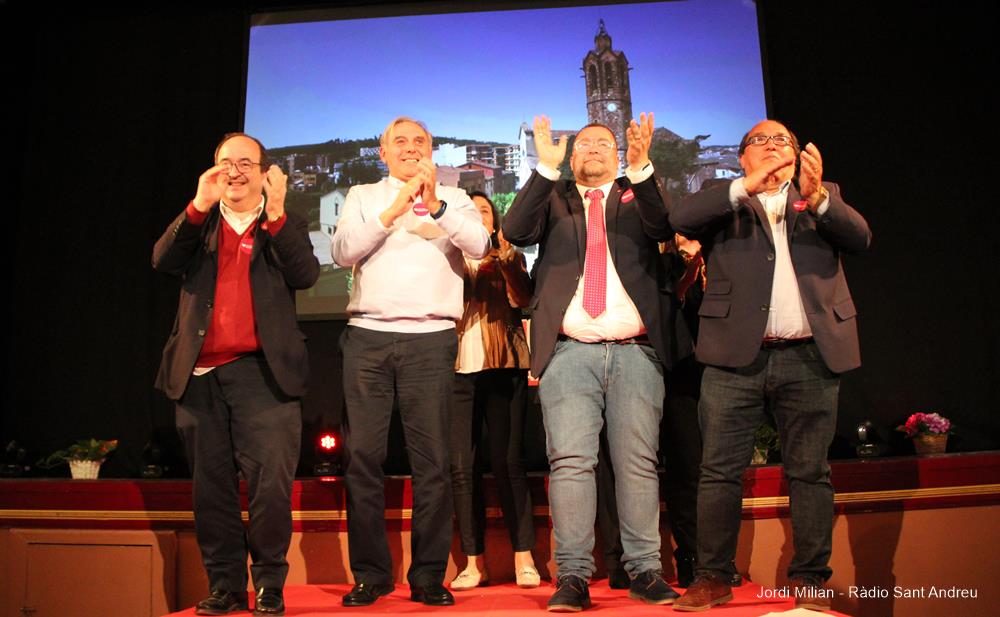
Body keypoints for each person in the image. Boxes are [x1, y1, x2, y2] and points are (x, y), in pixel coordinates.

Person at [669, 120, 871, 612]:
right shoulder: (724, 198)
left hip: (809, 354)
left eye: (784, 140)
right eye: (761, 141)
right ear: (742, 157)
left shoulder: (822, 196)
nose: (774, 146)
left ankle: (809, 581)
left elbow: (860, 238)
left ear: (799, 155)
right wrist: (743, 190)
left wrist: (819, 197)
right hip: (735, 358)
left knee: (809, 472)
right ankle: (713, 576)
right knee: (718, 471)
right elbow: (681, 216)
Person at [502, 113, 690, 612]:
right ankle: (573, 576)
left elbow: (664, 226)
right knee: (569, 466)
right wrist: (544, 168)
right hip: (568, 352)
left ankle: (645, 570)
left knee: (638, 465)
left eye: (602, 143)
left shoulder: (636, 193)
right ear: (570, 154)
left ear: (618, 153)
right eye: (582, 143)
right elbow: (515, 230)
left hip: (635, 353)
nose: (591, 149)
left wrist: (644, 164)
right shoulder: (556, 196)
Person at [153, 132, 319, 616]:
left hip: (264, 375)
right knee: (212, 487)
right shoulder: (199, 224)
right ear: (214, 170)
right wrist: (197, 205)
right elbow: (162, 260)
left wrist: (278, 214)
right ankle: (225, 584)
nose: (236, 171)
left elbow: (306, 275)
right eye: (227, 162)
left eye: (247, 162)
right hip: (200, 376)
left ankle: (269, 584)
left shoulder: (283, 223)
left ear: (264, 172)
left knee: (270, 486)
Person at [331, 117, 491, 608]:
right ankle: (371, 574)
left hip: (430, 339)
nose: (409, 149)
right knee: (363, 460)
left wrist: (436, 205)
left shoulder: (456, 198)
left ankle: (427, 576)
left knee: (433, 464)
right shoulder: (362, 195)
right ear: (383, 152)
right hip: (368, 338)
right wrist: (394, 209)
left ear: (432, 152)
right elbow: (341, 253)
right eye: (399, 142)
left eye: (418, 142)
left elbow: (482, 246)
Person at [448, 192, 539, 591]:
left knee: (508, 461)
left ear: (494, 221)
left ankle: (524, 558)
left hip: (505, 364)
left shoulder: (509, 255)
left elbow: (525, 299)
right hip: (454, 369)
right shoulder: (446, 259)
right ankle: (473, 562)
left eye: (482, 211)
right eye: (467, 211)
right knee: (462, 467)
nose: (475, 216)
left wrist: (503, 263)